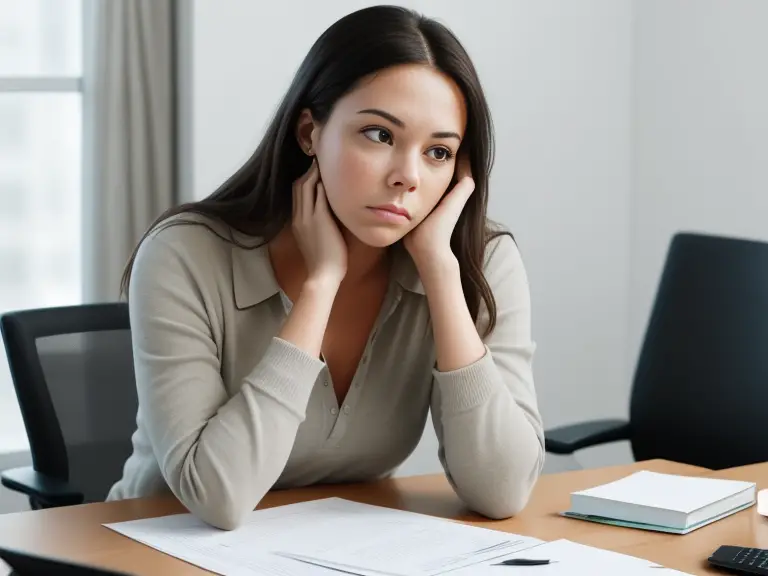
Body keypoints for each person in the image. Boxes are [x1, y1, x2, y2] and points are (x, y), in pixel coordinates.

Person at [107, 4, 545, 530]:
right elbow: (218, 496)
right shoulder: (184, 255)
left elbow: (502, 492)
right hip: (154, 547)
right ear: (309, 133)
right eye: (380, 135)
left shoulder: (479, 262)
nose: (408, 176)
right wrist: (320, 287)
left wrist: (441, 272)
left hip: (337, 552)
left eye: (437, 152)